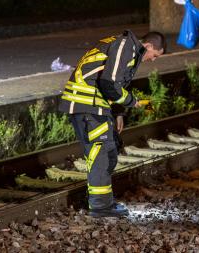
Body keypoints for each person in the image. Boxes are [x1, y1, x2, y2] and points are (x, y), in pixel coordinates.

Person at [58, 30, 166, 217]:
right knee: (102, 154)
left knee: (110, 150)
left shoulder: (125, 47)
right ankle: (100, 207)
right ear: (148, 46)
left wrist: (119, 113)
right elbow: (109, 83)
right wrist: (133, 101)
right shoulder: (127, 46)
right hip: (87, 104)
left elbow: (113, 83)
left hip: (93, 104)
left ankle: (101, 201)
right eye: (155, 55)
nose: (153, 60)